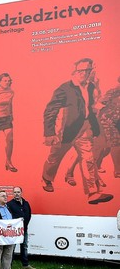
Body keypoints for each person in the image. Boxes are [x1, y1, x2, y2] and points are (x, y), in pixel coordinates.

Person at [42, 58, 113, 204]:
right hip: (65, 131)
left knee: (88, 159)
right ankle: (46, 179)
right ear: (74, 71)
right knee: (55, 157)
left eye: (87, 70)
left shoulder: (91, 87)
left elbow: (90, 109)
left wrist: (94, 128)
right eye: (80, 70)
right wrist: (49, 133)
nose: (84, 73)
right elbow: (50, 110)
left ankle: (93, 192)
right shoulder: (64, 89)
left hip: (84, 129)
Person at [7, 186, 34, 269]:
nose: (16, 194)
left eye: (18, 192)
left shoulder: (26, 203)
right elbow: (9, 217)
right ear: (13, 194)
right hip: (14, 230)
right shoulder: (9, 204)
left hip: (24, 229)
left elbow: (29, 214)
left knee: (24, 246)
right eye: (15, 192)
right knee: (12, 247)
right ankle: (8, 265)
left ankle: (25, 264)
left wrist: (25, 224)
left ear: (21, 193)